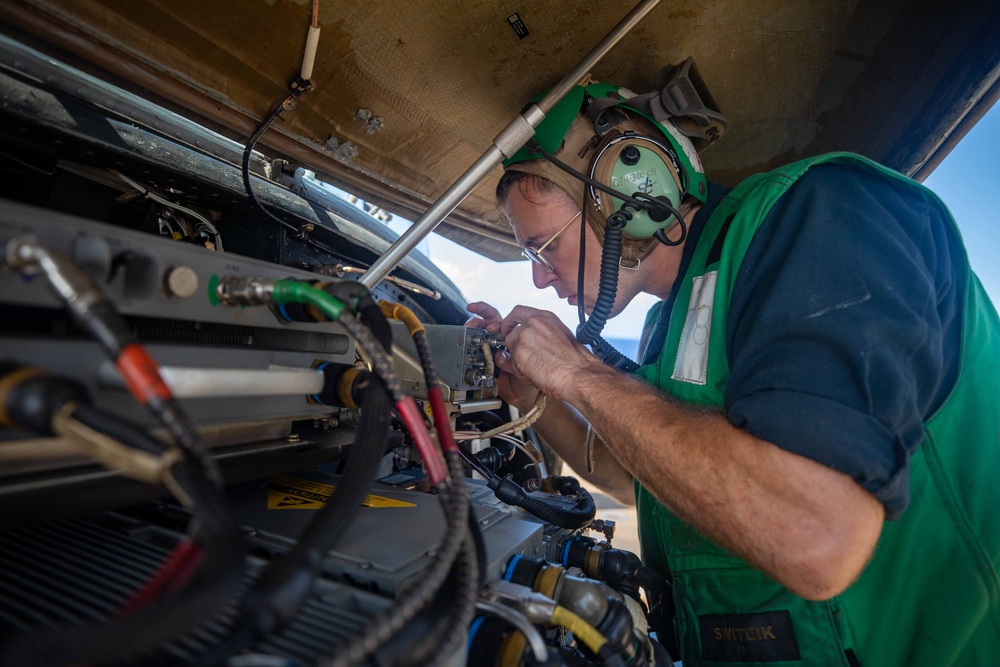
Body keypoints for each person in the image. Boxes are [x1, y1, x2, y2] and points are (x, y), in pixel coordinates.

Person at [466, 67, 1000, 666]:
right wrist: (538, 395)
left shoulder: (818, 216)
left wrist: (578, 373)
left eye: (542, 247)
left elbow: (815, 534)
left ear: (627, 192)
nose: (539, 276)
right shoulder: (664, 326)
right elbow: (641, 475)